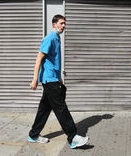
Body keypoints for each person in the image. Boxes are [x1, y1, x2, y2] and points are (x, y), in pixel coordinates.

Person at [28, 14, 88, 149]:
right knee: (61, 108)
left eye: (65, 23)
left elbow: (53, 61)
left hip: (53, 79)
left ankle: (33, 135)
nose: (64, 26)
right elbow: (39, 59)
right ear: (54, 24)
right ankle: (73, 138)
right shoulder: (50, 38)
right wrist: (35, 79)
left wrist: (59, 77)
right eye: (61, 23)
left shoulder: (57, 38)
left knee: (44, 109)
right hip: (49, 81)